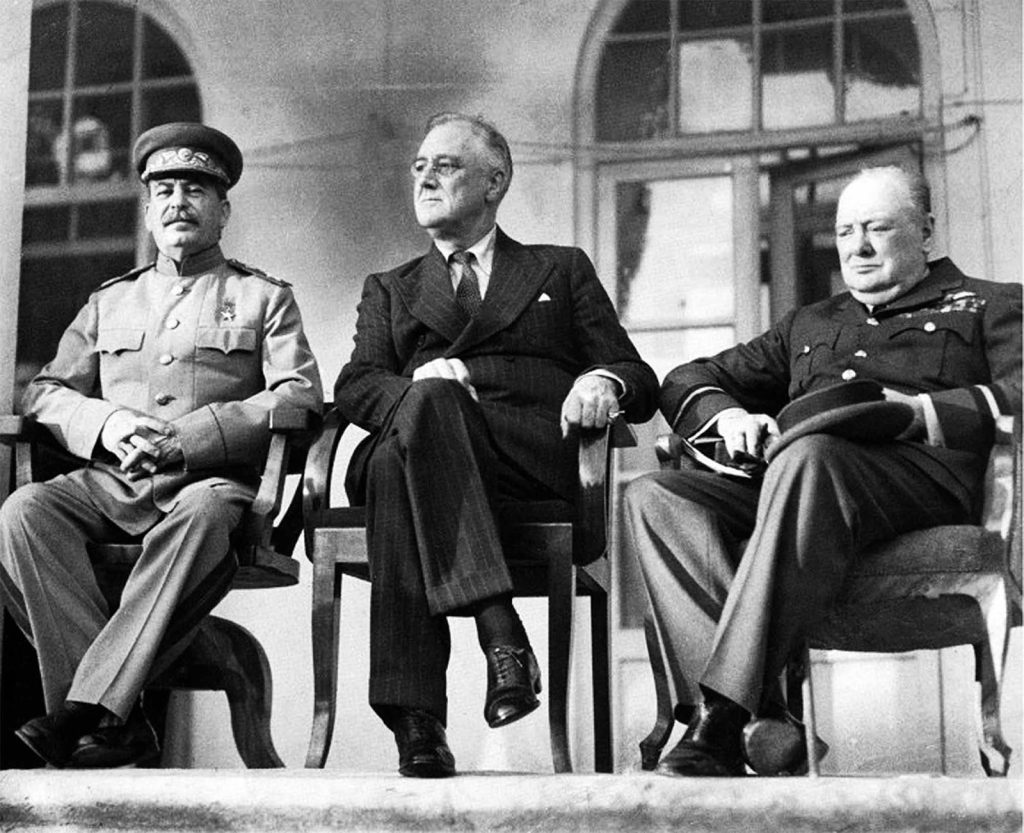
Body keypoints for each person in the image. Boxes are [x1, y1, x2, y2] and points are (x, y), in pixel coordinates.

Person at [623, 165, 1022, 777]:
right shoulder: (810, 323)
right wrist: (730, 416)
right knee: (657, 496)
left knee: (809, 455)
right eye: (845, 232)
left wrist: (919, 413)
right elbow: (687, 379)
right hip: (802, 486)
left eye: (878, 229)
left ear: (925, 232)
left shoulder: (990, 303)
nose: (858, 248)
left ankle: (722, 718)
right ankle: (764, 718)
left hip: (921, 482)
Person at [334, 112, 658, 778]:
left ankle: (418, 723)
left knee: (397, 464)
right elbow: (356, 384)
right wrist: (424, 392)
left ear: (494, 181)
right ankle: (499, 629)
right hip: (423, 443)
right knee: (419, 419)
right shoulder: (390, 287)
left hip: (524, 461)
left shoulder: (559, 269)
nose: (425, 177)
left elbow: (638, 375)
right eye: (419, 166)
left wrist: (601, 380)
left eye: (446, 165)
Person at [0, 122, 323, 768]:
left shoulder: (262, 298)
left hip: (207, 490)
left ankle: (81, 713)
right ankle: (110, 718)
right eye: (165, 191)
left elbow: (300, 396)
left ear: (223, 210)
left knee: (202, 511)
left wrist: (188, 439)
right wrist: (106, 425)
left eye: (196, 190)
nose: (179, 202)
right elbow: (45, 392)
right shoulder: (109, 302)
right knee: (23, 511)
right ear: (149, 210)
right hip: (113, 484)